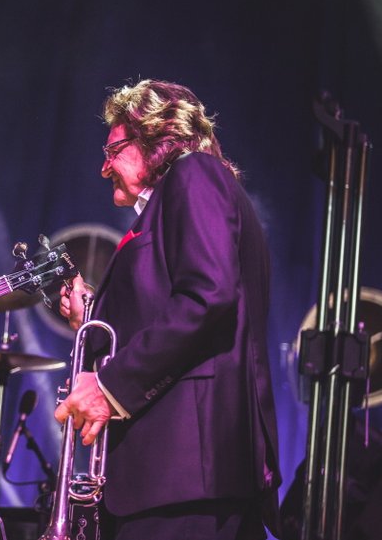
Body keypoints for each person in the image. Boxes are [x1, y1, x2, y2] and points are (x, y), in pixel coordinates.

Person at [56, 79, 281, 540]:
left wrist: (110, 386)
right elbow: (172, 311)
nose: (104, 167)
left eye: (113, 150)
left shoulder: (194, 173)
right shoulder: (176, 198)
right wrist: (91, 320)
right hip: (176, 477)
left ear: (155, 137)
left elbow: (207, 295)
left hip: (185, 472)